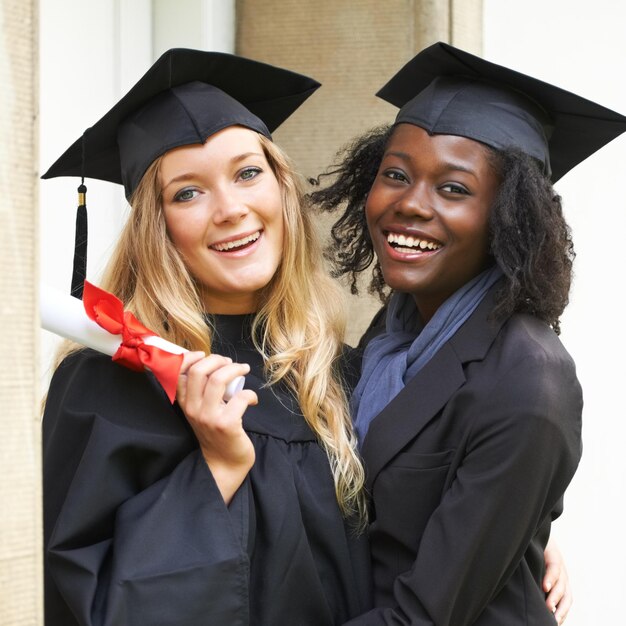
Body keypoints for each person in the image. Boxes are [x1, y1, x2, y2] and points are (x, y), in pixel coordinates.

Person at [41, 48, 371, 626]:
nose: (230, 209)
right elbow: (88, 607)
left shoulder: (335, 372)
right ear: (156, 226)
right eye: (187, 192)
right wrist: (218, 467)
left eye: (248, 173)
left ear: (283, 190)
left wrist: (513, 541)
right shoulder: (107, 385)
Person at [312, 42, 626, 625]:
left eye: (453, 189)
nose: (411, 205)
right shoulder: (396, 332)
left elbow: (424, 617)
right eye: (396, 176)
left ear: (510, 215)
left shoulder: (529, 379)